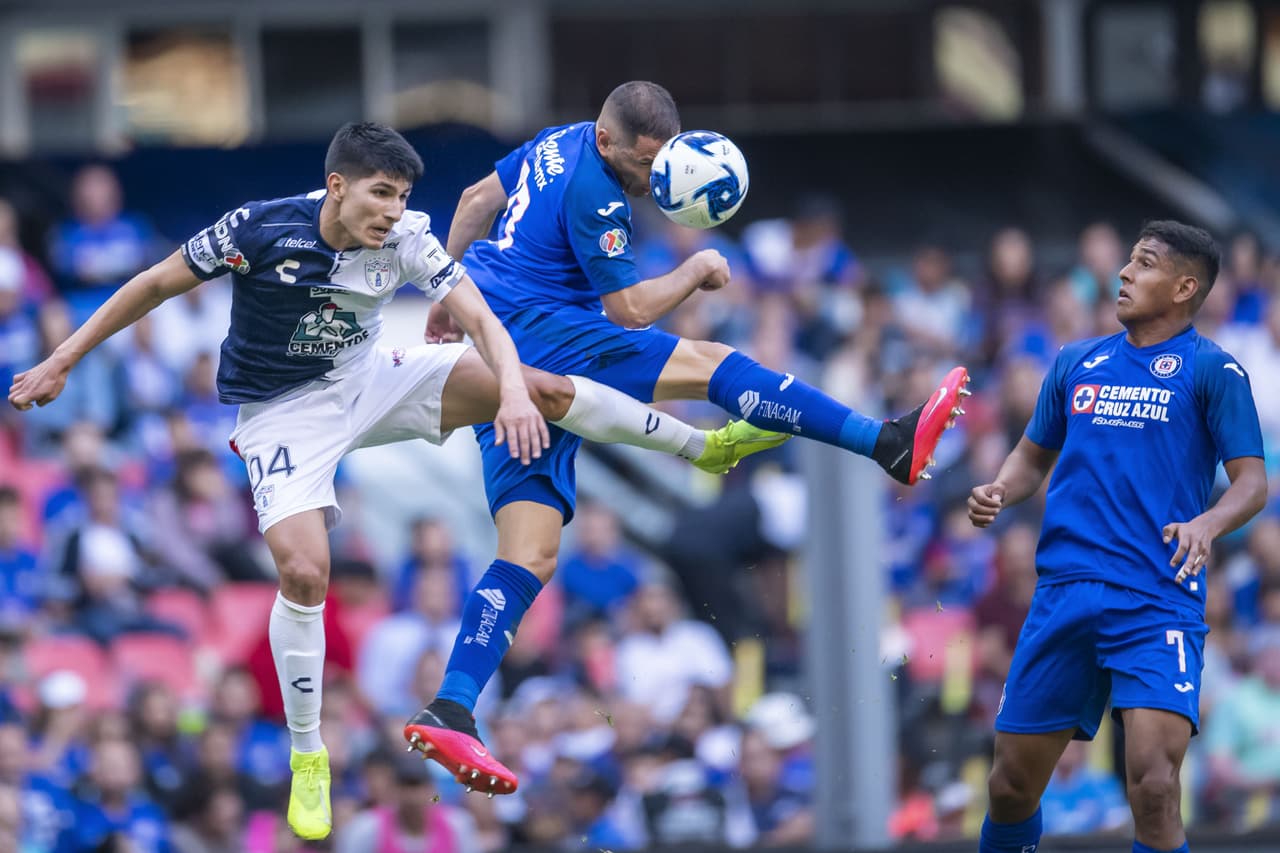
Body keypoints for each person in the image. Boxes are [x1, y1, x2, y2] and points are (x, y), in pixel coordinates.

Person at [8, 122, 782, 840]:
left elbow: (479, 318)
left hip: (371, 376)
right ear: (337, 186)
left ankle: (702, 448)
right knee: (305, 570)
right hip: (282, 414)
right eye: (381, 193)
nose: (394, 211)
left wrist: (509, 388)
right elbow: (152, 284)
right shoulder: (258, 227)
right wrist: (63, 359)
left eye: (404, 196)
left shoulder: (408, 237)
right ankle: (308, 754)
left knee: (544, 387)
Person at [405, 79, 970, 795]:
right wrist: (697, 268)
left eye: (661, 160)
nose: (653, 180)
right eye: (644, 165)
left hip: (500, 350)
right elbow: (631, 308)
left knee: (531, 552)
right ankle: (885, 440)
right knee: (711, 365)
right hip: (543, 331)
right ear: (609, 143)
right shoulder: (597, 192)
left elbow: (473, 202)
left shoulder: (559, 142)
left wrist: (447, 299)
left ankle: (453, 703)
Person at [967, 220, 1269, 853]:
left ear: (1186, 286)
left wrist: (1208, 523)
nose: (1124, 274)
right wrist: (999, 488)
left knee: (1155, 788)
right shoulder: (1076, 361)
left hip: (1156, 598)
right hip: (1064, 593)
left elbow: (1251, 484)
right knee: (1010, 789)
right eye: (1128, 261)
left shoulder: (1215, 371)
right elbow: (1030, 459)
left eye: (1144, 264)